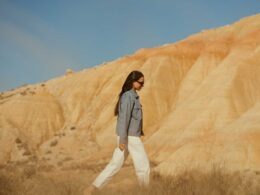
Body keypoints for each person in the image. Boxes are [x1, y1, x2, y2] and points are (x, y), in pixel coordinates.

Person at [84, 70, 150, 194]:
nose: (143, 85)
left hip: (128, 136)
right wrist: (122, 140)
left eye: (143, 82)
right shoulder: (128, 97)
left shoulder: (133, 96)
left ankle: (92, 189)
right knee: (143, 166)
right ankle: (146, 192)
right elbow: (123, 119)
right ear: (133, 81)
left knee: (115, 164)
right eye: (141, 82)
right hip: (130, 138)